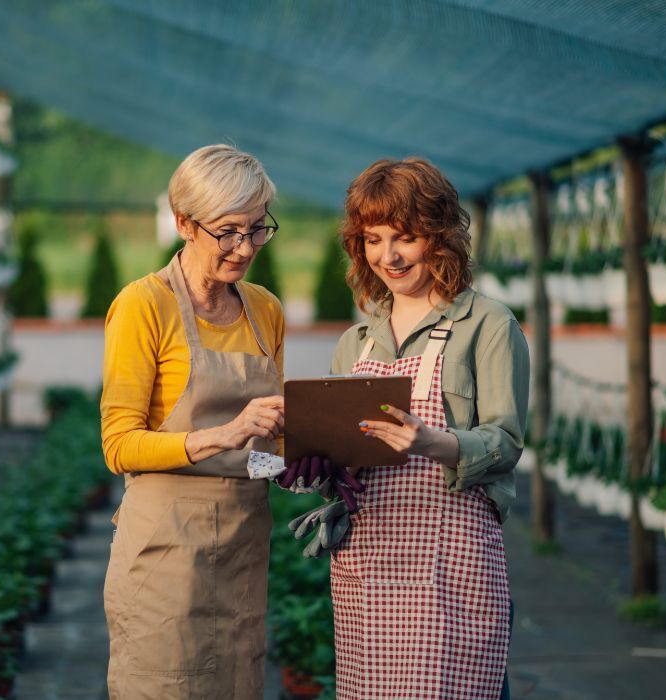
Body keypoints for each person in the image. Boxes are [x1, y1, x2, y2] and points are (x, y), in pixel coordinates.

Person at [326, 158, 529, 699]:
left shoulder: (487, 324)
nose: (387, 256)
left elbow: (506, 442)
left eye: (405, 237)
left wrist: (431, 443)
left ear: (439, 237)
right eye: (372, 239)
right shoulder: (356, 343)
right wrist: (319, 461)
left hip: (451, 564)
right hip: (369, 565)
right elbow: (344, 456)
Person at [100, 144, 285, 699]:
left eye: (257, 229)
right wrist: (222, 434)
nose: (245, 247)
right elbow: (119, 446)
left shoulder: (265, 310)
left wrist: (297, 459)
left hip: (243, 547)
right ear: (184, 223)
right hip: (165, 553)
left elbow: (260, 452)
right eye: (228, 231)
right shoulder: (143, 305)